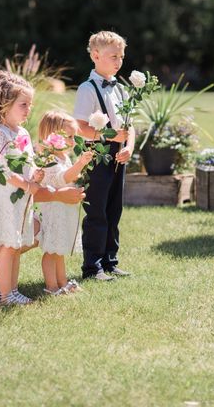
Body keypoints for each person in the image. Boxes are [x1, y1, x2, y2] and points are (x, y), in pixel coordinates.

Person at [0, 71, 87, 288]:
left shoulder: (11, 131)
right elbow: (1, 182)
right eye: (23, 103)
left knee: (31, 225)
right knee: (37, 228)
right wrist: (57, 196)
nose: (28, 109)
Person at [73, 31, 136, 281]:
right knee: (96, 210)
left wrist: (129, 146)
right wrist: (111, 136)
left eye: (121, 56)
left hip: (118, 155)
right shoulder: (86, 89)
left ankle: (110, 261)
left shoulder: (120, 89)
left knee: (114, 209)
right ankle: (93, 266)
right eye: (113, 56)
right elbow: (80, 127)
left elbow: (130, 126)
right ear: (95, 55)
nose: (118, 61)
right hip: (97, 154)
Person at [0, 76, 43, 305]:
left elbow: (30, 160)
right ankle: (5, 294)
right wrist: (28, 185)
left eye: (30, 105)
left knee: (16, 245)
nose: (28, 109)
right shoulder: (0, 133)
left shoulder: (23, 133)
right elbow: (3, 170)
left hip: (24, 199)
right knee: (8, 245)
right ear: (4, 105)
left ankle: (13, 290)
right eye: (23, 104)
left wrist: (36, 173)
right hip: (9, 198)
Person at [37, 111, 93, 295]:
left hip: (65, 208)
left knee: (59, 249)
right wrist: (81, 163)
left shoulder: (63, 157)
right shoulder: (50, 159)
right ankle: (51, 286)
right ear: (53, 136)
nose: (72, 140)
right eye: (68, 136)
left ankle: (62, 282)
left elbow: (70, 177)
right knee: (51, 250)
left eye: (73, 136)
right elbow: (63, 178)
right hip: (54, 210)